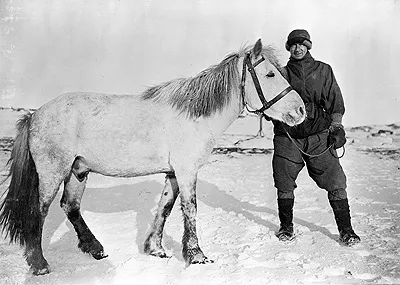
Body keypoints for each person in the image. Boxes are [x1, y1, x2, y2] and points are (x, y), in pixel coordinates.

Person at [272, 29, 361, 246]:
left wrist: (337, 127)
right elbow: (271, 103)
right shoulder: (280, 74)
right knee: (283, 180)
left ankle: (346, 230)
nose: (297, 48)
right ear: (289, 48)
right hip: (287, 135)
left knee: (335, 180)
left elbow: (334, 101)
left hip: (318, 134)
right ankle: (286, 227)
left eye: (302, 44)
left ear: (308, 46)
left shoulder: (323, 70)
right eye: (293, 44)